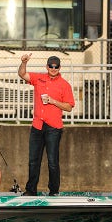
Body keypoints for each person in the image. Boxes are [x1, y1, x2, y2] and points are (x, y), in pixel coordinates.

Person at [18, 54, 75, 196]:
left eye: (56, 66)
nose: (53, 68)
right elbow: (22, 74)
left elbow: (69, 107)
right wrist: (24, 62)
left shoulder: (65, 85)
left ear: (60, 68)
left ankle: (54, 191)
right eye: (51, 66)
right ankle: (31, 190)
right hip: (37, 125)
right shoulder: (39, 78)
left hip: (53, 128)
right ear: (47, 67)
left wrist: (53, 101)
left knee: (52, 162)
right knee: (33, 161)